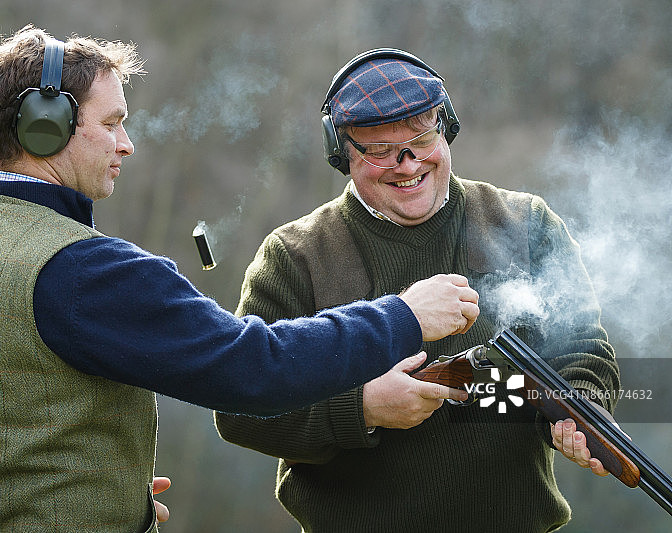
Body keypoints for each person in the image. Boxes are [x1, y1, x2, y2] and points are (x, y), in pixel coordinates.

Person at [0, 32, 481, 533]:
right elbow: (256, 368)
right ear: (48, 127)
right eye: (111, 122)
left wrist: (96, 486)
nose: (126, 142)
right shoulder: (84, 272)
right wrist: (403, 315)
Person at [215, 49, 620, 532]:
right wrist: (363, 409)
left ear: (445, 129)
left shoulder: (524, 223)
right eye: (379, 150)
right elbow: (241, 408)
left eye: (420, 139)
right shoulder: (295, 256)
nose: (406, 164)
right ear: (342, 153)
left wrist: (576, 410)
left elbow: (584, 350)